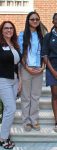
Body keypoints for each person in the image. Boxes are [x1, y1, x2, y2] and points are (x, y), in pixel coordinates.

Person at [18, 11, 45, 132]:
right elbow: (20, 54)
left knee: (35, 96)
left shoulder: (42, 36)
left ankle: (34, 120)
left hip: (39, 69)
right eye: (32, 19)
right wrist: (26, 67)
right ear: (28, 21)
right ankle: (26, 121)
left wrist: (43, 66)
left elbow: (45, 53)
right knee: (26, 97)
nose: (35, 21)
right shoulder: (22, 35)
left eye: (37, 19)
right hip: (26, 69)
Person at [0, 21, 21, 149]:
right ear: (2, 31)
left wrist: (20, 81)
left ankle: (5, 134)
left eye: (11, 28)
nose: (9, 30)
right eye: (6, 28)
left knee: (9, 110)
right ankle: (3, 138)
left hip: (14, 80)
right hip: (3, 80)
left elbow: (17, 65)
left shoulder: (14, 45)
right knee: (11, 109)